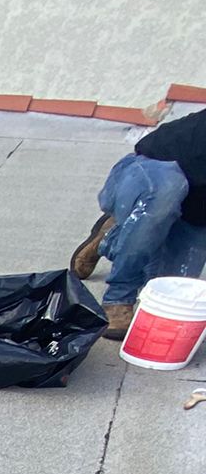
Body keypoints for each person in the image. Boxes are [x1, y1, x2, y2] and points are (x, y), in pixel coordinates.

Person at [71, 105, 206, 337]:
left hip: (192, 210)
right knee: (166, 191)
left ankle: (111, 236)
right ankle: (118, 298)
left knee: (169, 297)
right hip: (144, 174)